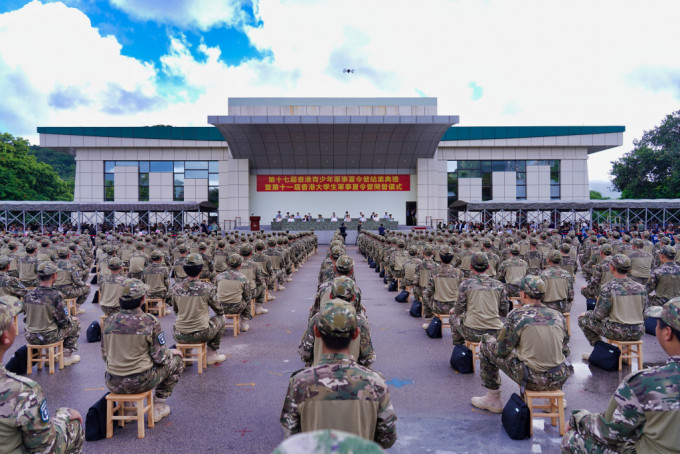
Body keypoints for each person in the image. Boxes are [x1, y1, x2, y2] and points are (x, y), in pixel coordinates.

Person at [561, 297, 680, 453]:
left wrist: (578, 418)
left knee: (572, 439)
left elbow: (608, 431)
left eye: (658, 323)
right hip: (635, 330)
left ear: (667, 333)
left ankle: (600, 349)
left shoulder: (645, 382)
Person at [280, 301, 397, 448]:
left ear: (316, 332)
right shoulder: (375, 383)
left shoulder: (300, 383)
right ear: (355, 334)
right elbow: (387, 439)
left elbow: (291, 437)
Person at [471, 276, 570, 413]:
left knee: (487, 344)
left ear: (523, 294)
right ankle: (552, 399)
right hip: (558, 377)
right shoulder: (558, 316)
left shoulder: (518, 315)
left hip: (531, 378)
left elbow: (501, 351)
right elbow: (565, 351)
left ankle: (493, 398)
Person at [0, 295, 84, 453]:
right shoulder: (21, 391)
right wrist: (64, 415)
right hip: (50, 335)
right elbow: (47, 447)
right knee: (74, 426)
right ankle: (67, 353)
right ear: (6, 337)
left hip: (32, 335)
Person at [102, 279, 185, 423]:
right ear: (142, 299)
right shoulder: (149, 322)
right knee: (177, 361)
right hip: (140, 381)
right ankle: (159, 404)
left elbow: (105, 355)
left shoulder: (109, 321)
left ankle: (127, 406)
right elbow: (160, 357)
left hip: (113, 381)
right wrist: (172, 353)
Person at [299, 278, 374, 367]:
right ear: (353, 297)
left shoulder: (317, 318)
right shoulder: (360, 321)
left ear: (330, 295)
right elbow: (368, 359)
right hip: (351, 376)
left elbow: (304, 353)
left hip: (319, 375)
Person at [579, 254, 646, 350]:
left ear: (611, 267)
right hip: (638, 331)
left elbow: (599, 315)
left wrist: (587, 314)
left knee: (582, 320)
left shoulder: (608, 287)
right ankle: (619, 353)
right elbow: (645, 312)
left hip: (617, 332)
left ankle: (602, 351)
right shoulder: (641, 287)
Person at [171, 253, 227, 365]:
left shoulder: (175, 288)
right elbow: (219, 309)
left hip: (179, 333)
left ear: (185, 269)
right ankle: (212, 354)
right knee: (221, 318)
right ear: (201, 270)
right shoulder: (207, 288)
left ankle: (186, 353)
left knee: (182, 317)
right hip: (201, 333)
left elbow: (176, 310)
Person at [23, 262, 81, 366]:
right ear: (54, 275)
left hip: (30, 336)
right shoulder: (55, 295)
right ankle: (66, 356)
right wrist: (71, 319)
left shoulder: (28, 294)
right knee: (75, 324)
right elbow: (63, 321)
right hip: (48, 337)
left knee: (48, 323)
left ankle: (51, 355)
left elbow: (26, 318)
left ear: (38, 276)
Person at [449, 252, 508, 344]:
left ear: (471, 267)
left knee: (453, 316)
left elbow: (459, 309)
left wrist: (455, 310)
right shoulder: (499, 285)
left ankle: (459, 346)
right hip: (495, 332)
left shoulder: (465, 284)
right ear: (488, 267)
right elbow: (505, 310)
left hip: (472, 332)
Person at [214, 254, 252, 333]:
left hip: (220, 307)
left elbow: (215, 291)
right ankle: (244, 323)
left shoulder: (219, 276)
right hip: (236, 307)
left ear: (228, 264)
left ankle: (221, 321)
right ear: (240, 265)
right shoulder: (243, 278)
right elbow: (247, 296)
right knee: (248, 299)